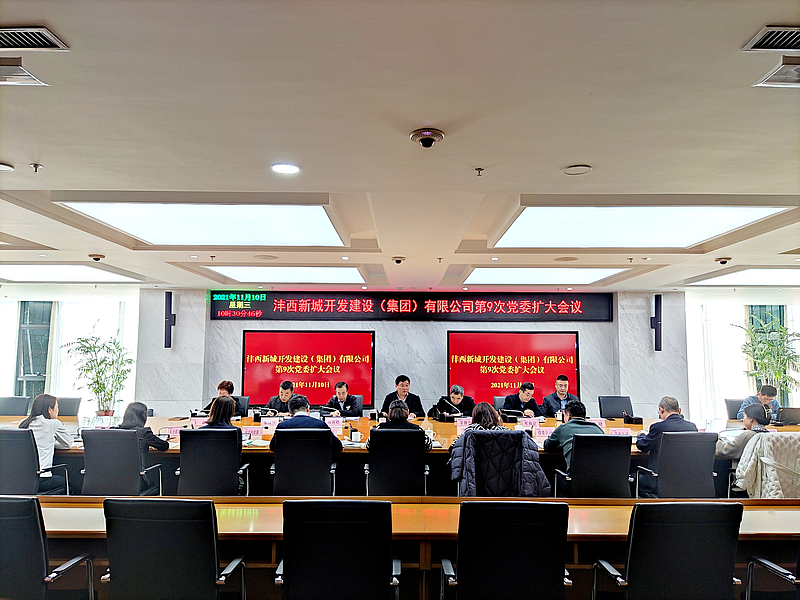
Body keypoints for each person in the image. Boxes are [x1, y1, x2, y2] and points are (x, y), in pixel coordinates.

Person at [635, 395, 698, 497]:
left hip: (657, 482)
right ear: (679, 411)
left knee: (632, 478)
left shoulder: (658, 428)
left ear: (661, 409)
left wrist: (641, 435)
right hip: (685, 482)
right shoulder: (692, 428)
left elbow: (643, 446)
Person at [19, 394, 72, 494]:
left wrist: (49, 443)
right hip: (42, 479)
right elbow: (67, 444)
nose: (58, 410)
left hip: (22, 479)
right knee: (70, 483)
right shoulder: (53, 424)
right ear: (49, 409)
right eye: (57, 407)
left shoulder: (23, 423)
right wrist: (52, 443)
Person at [116, 401, 169, 491]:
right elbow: (164, 446)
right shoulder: (144, 433)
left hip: (112, 482)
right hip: (138, 483)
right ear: (143, 417)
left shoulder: (113, 431)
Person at [543, 400, 604, 472]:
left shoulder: (563, 429)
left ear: (568, 416)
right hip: (602, 474)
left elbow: (547, 447)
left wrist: (564, 445)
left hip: (576, 475)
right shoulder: (597, 429)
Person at [269, 395, 343, 454]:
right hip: (317, 468)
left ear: (290, 414)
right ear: (308, 409)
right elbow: (338, 447)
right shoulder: (321, 425)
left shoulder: (282, 426)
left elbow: (272, 447)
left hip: (288, 468)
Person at [367, 400, 432, 451]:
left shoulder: (379, 429)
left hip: (384, 463)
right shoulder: (416, 429)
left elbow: (368, 445)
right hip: (411, 463)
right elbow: (428, 446)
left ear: (389, 412)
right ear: (407, 412)